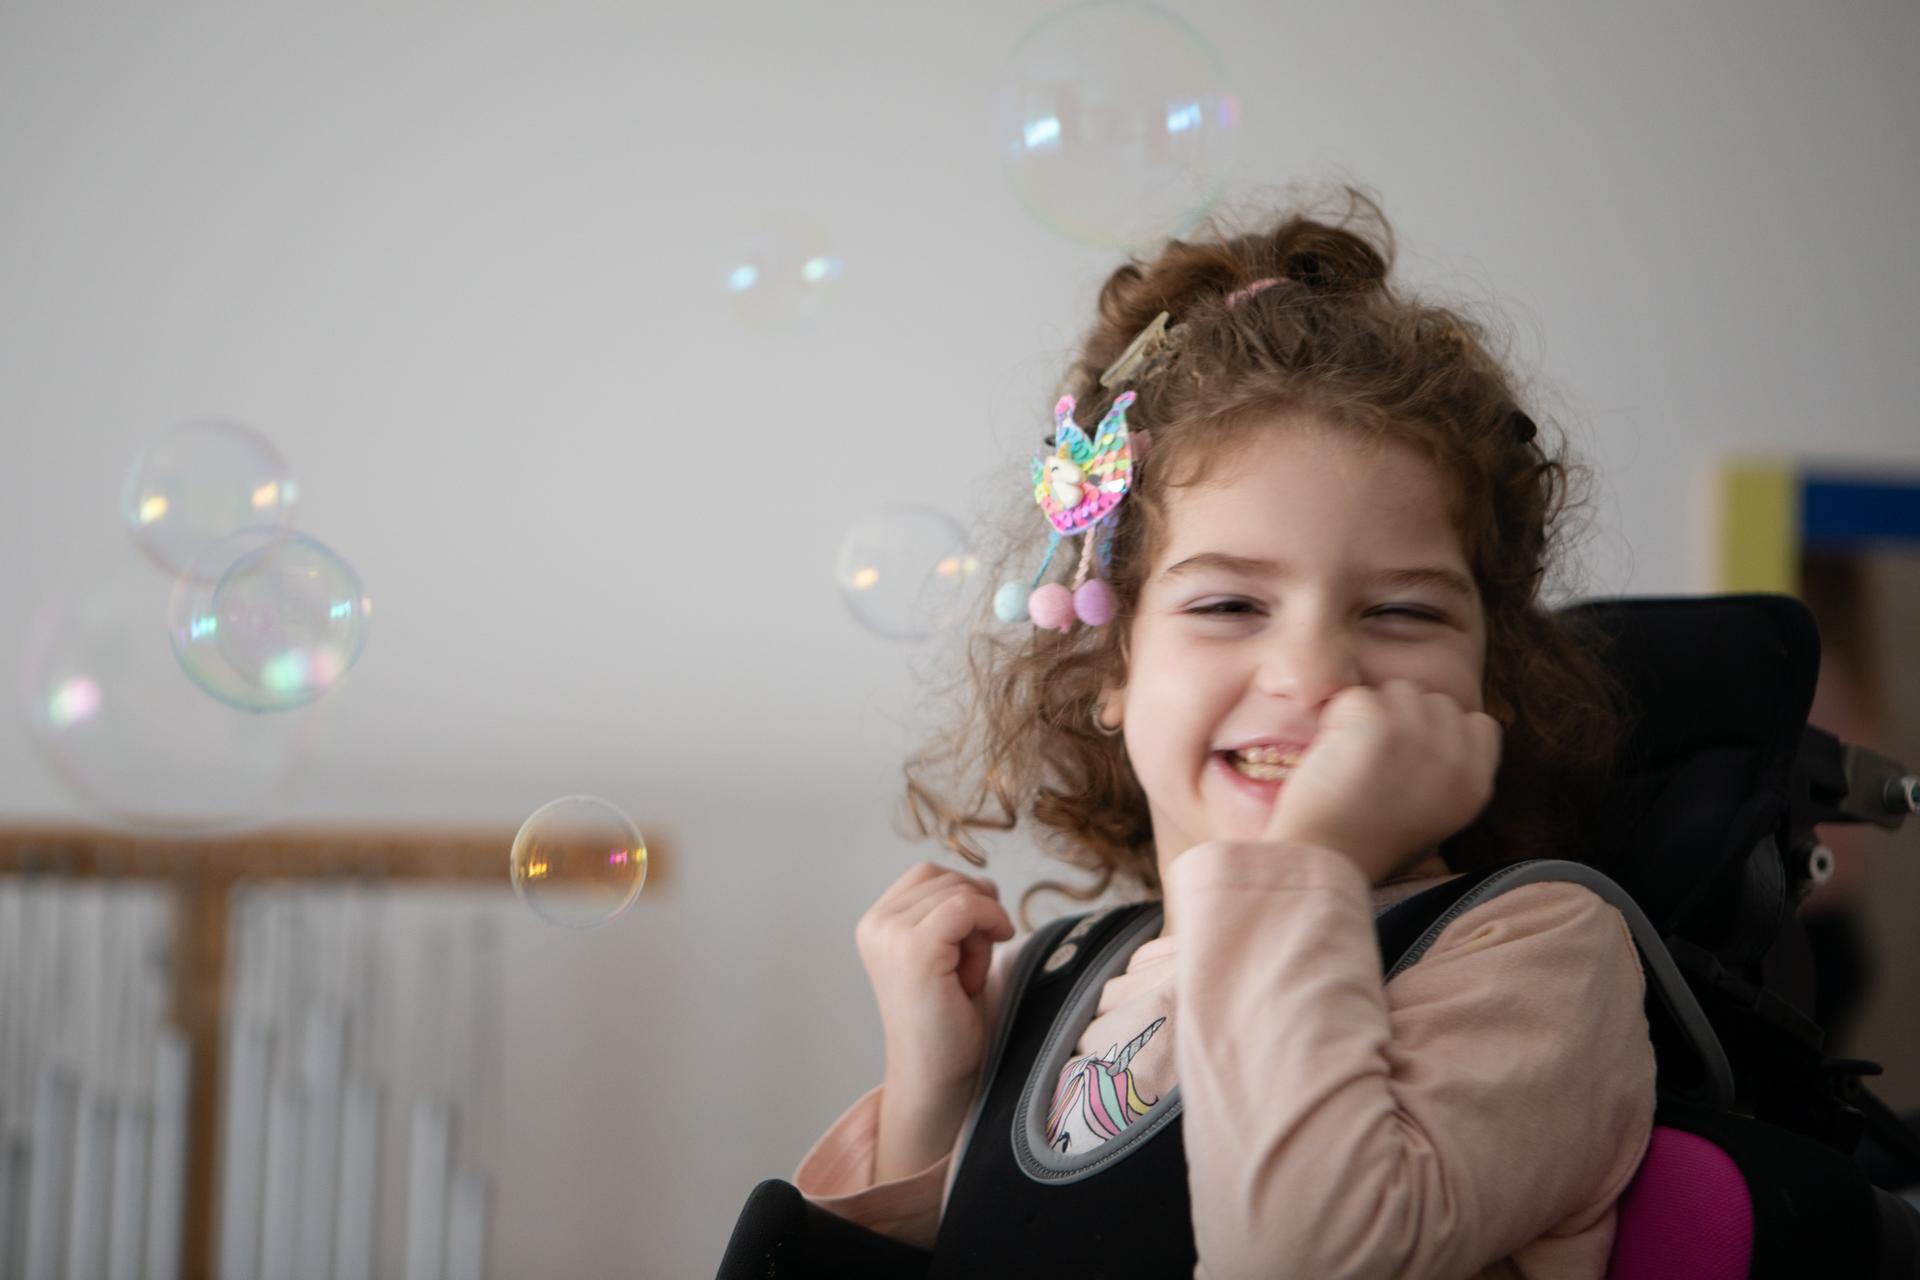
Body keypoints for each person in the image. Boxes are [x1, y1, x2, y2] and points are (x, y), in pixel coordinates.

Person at [794, 186, 1657, 1278]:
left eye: (1401, 611)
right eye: (1229, 605)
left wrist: (1311, 868)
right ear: (1109, 661)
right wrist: (934, 1086)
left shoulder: (1531, 952)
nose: (1311, 675)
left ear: (1492, 674)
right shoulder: (1054, 977)